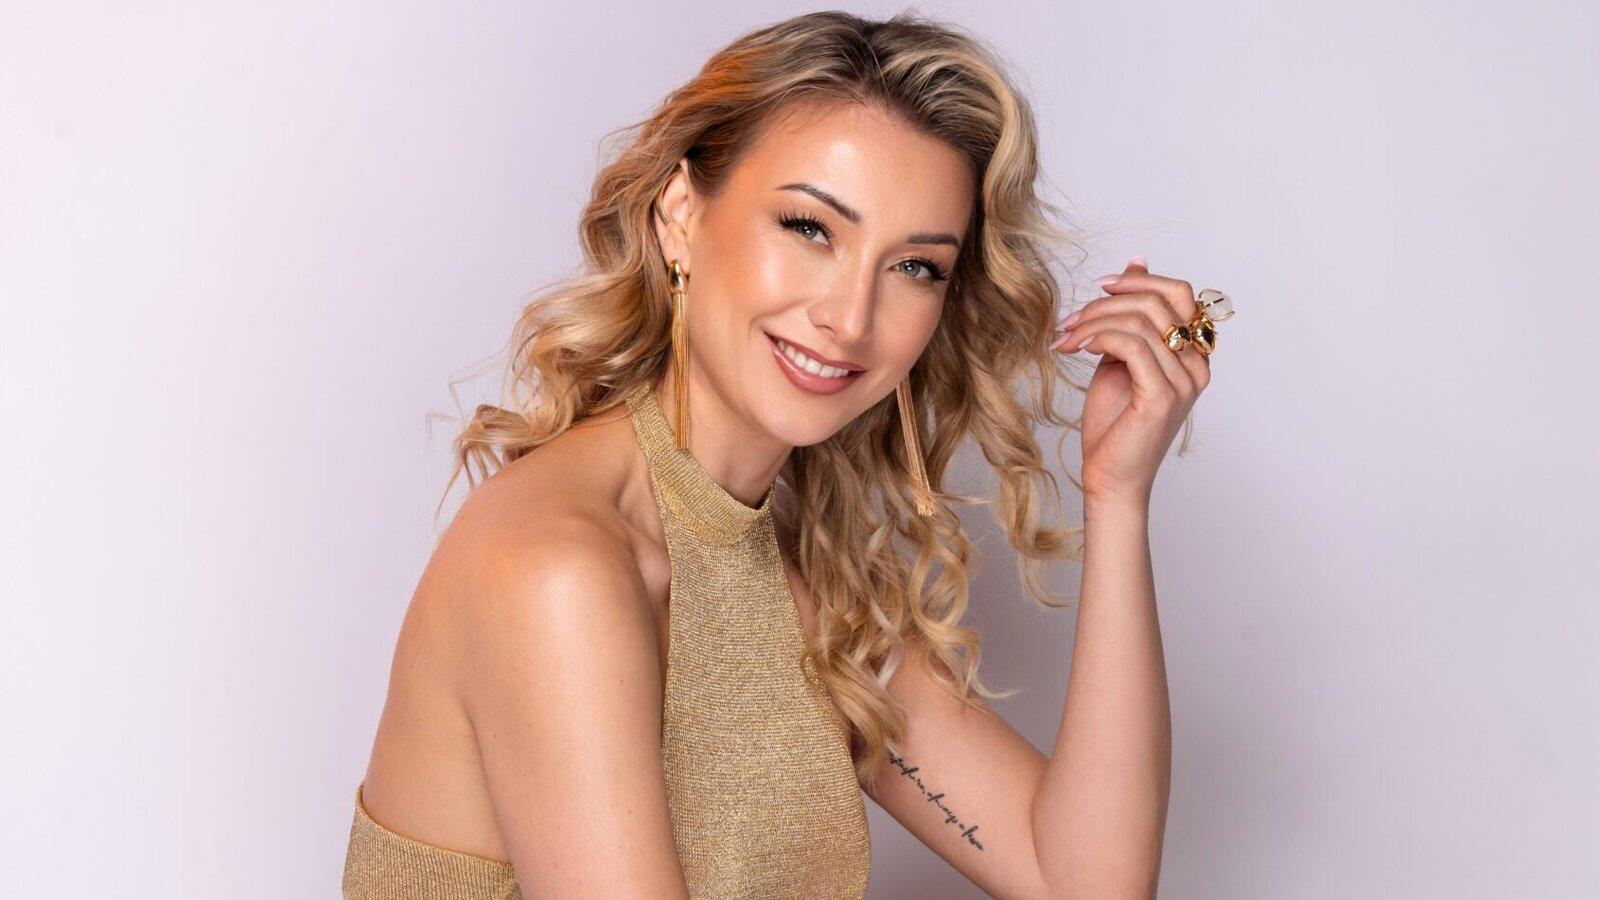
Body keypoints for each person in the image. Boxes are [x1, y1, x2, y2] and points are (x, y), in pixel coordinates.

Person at [342, 9, 1231, 899]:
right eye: (810, 228)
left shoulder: (791, 570)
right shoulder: (559, 569)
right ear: (681, 216)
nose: (850, 317)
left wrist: (1117, 493)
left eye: (915, 266)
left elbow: (1083, 882)